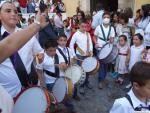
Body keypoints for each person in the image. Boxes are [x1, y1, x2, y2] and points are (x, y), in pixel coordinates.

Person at [0, 1, 43, 98]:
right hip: (7, 96)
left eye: (15, 11)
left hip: (30, 88)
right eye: (8, 11)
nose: (13, 14)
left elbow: (39, 52)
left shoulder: (27, 34)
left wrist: (40, 57)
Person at [36, 40, 77, 113]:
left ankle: (71, 109)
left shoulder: (57, 52)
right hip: (50, 81)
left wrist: (63, 66)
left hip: (61, 79)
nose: (53, 53)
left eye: (54, 50)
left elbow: (63, 64)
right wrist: (43, 85)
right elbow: (39, 71)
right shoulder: (41, 57)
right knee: (54, 98)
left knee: (66, 96)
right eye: (50, 51)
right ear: (45, 49)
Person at [70, 19, 93, 94]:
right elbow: (71, 45)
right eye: (82, 26)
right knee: (81, 71)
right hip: (80, 56)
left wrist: (91, 51)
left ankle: (87, 82)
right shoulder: (76, 34)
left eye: (85, 27)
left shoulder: (88, 34)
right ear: (79, 26)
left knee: (88, 70)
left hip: (87, 55)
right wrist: (73, 55)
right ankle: (81, 86)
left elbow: (90, 43)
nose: (84, 28)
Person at [94, 12, 115, 89]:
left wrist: (111, 41)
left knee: (106, 65)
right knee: (101, 65)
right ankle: (100, 80)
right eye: (105, 17)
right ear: (102, 19)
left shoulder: (112, 28)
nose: (106, 18)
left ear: (110, 19)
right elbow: (94, 36)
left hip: (108, 49)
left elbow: (112, 38)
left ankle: (103, 78)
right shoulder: (98, 27)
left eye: (108, 17)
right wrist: (96, 42)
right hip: (99, 48)